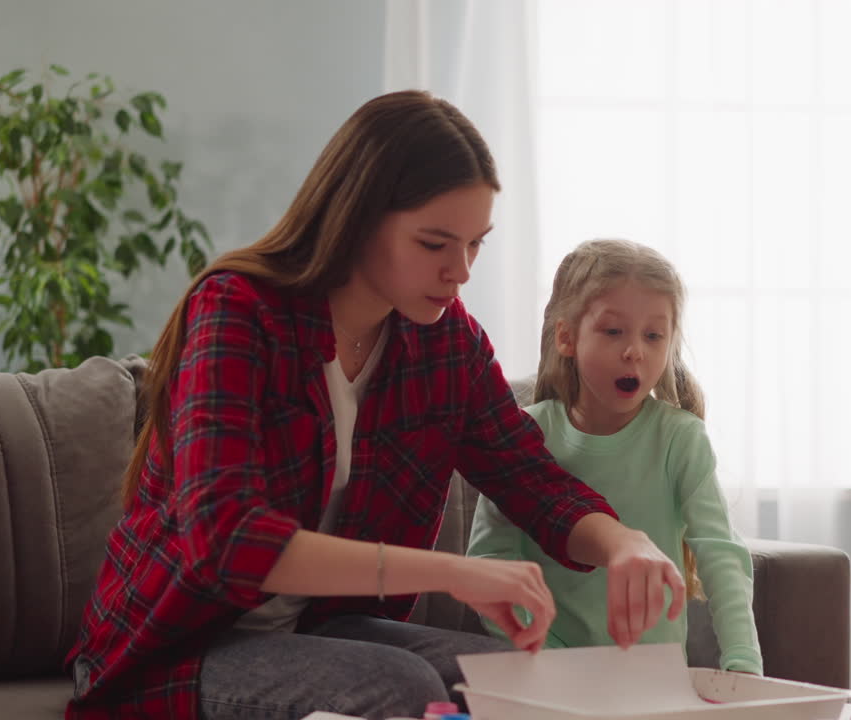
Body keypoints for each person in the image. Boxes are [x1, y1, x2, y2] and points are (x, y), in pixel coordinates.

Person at [65, 92, 688, 720]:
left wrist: (623, 542)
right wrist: (450, 572)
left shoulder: (446, 342)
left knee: (518, 679)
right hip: (178, 645)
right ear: (359, 218)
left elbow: (530, 479)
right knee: (400, 685)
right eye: (435, 244)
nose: (460, 271)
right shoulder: (239, 311)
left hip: (319, 629)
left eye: (475, 244)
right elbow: (226, 540)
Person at [467, 239, 763, 675]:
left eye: (653, 336)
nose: (634, 351)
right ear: (567, 337)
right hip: (546, 672)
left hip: (652, 678)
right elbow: (489, 559)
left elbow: (722, 556)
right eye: (613, 331)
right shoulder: (525, 435)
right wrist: (536, 647)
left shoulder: (680, 439)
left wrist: (743, 662)